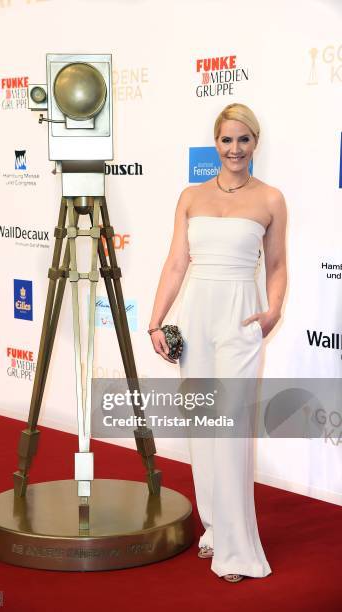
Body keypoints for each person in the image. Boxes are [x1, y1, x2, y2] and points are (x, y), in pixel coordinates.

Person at [148, 102, 287, 583]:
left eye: (243, 140)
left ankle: (236, 548)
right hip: (197, 316)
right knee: (203, 429)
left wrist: (274, 309)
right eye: (227, 140)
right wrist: (155, 322)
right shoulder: (190, 196)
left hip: (240, 320)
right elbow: (175, 264)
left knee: (229, 433)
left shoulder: (270, 199)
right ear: (216, 143)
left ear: (255, 143)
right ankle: (214, 528)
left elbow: (276, 265)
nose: (235, 149)